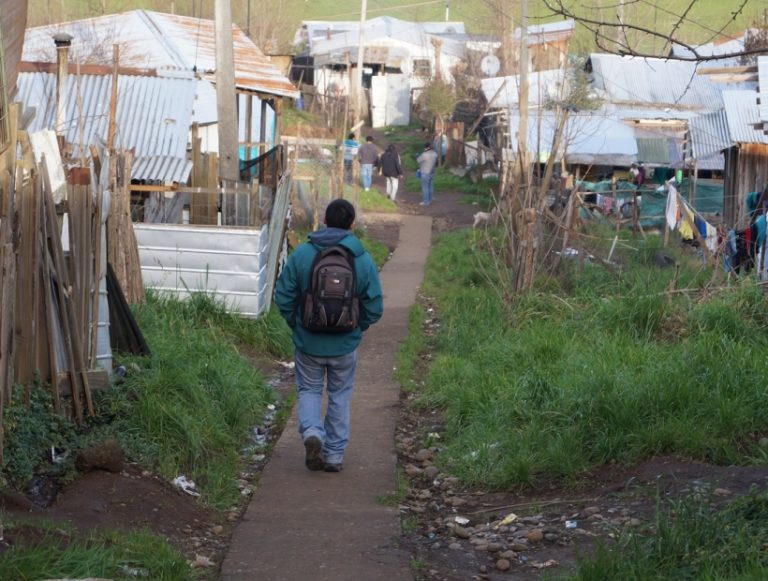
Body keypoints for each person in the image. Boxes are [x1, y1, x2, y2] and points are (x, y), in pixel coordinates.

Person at [274, 199, 383, 473]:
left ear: (324, 221)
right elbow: (375, 306)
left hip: (308, 341)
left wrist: (296, 323)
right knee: (340, 396)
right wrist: (358, 327)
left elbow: (283, 294)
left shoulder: (303, 254)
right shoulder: (361, 258)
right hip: (345, 344)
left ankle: (312, 431)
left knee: (309, 389)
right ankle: (334, 455)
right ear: (352, 224)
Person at [416, 142, 438, 206]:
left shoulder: (424, 154)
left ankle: (426, 202)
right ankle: (430, 199)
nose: (424, 149)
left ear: (427, 147)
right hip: (432, 172)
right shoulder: (435, 154)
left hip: (425, 173)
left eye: (425, 148)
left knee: (425, 187)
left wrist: (417, 156)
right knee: (430, 186)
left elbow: (418, 160)